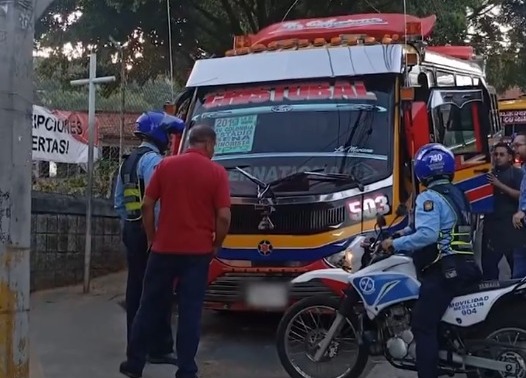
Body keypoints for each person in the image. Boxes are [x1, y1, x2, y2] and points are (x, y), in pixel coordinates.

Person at [119, 124, 231, 378]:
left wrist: (152, 238)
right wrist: (217, 244)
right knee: (190, 312)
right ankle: (186, 370)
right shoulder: (216, 173)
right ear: (208, 144)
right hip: (197, 254)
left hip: (163, 251)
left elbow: (147, 205)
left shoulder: (166, 166)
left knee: (148, 306)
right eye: (214, 146)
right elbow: (224, 217)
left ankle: (134, 363)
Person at [381, 143, 482, 378]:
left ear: (422, 171)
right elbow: (430, 227)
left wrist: (394, 245)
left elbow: (428, 234)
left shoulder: (429, 197)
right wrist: (398, 235)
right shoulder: (458, 193)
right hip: (464, 265)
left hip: (445, 270)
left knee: (422, 325)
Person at [114, 111, 185, 365]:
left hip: (132, 230)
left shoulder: (128, 160)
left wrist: (129, 228)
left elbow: (119, 202)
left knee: (135, 289)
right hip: (150, 232)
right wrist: (156, 235)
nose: (168, 139)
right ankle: (159, 348)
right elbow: (155, 202)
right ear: (157, 132)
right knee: (159, 290)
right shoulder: (154, 161)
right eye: (167, 134)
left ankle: (135, 347)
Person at [482, 142, 526, 279]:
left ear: (509, 157)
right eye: (495, 154)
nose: (497, 157)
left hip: (511, 225)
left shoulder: (518, 174)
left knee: (516, 266)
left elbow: (521, 195)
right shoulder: (488, 174)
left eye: (502, 154)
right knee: (489, 266)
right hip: (491, 226)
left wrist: (499, 185)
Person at [512, 132, 526, 232]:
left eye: (518, 145)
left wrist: (524, 210)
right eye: (513, 146)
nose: (515, 150)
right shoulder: (524, 167)